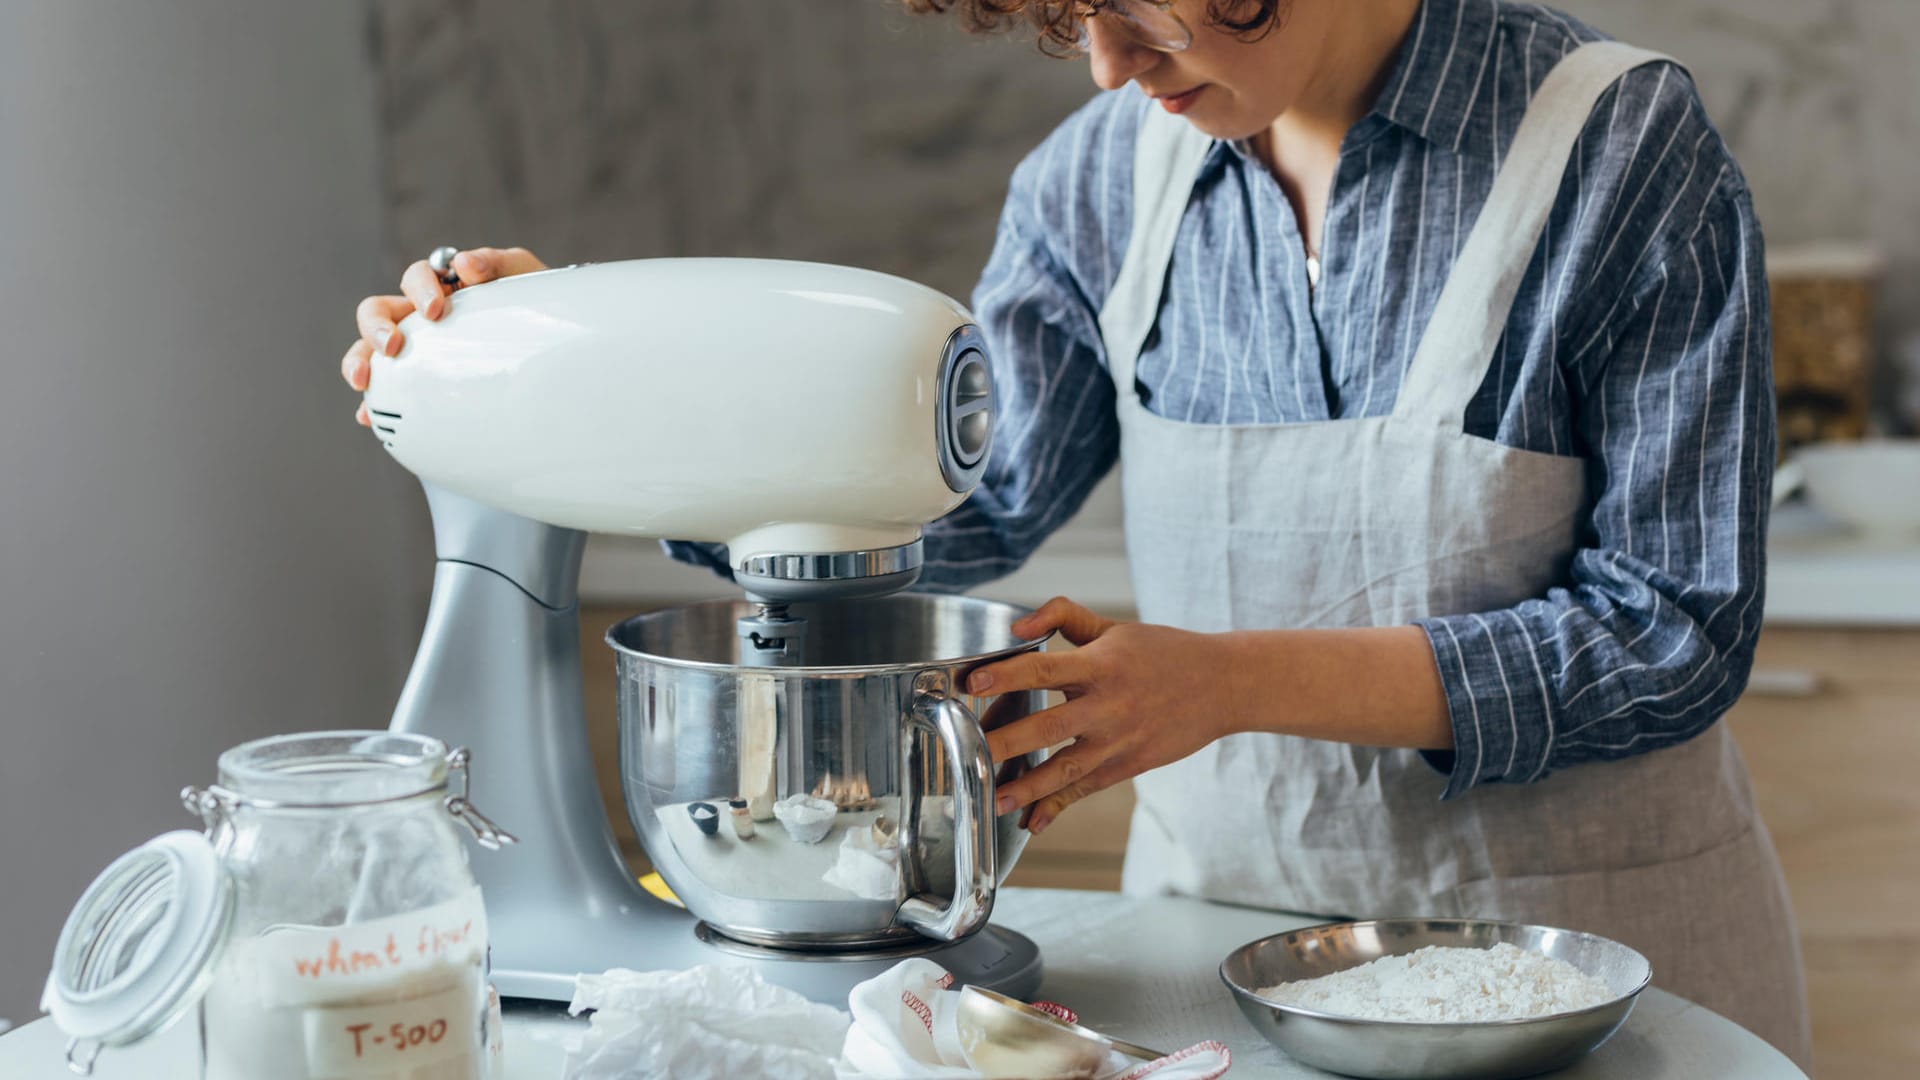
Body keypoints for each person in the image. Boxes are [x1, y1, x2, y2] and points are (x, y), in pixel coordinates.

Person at [340, 0, 1810, 1064]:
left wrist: (1226, 685)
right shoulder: (1102, 183)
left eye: (1132, 2)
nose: (1107, 64)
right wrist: (563, 368)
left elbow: (1669, 637)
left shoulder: (1622, 153)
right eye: (1066, 16)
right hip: (1223, 980)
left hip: (1584, 984)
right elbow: (946, 518)